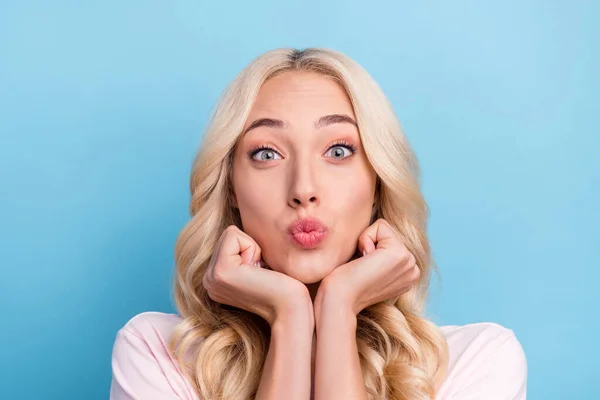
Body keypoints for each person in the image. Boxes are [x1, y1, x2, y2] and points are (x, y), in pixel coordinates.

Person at [109, 47, 527, 400]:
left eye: (339, 151)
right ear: (232, 187)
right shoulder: (156, 356)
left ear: (379, 183)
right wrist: (289, 315)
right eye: (267, 154)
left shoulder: (477, 363)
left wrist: (338, 306)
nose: (304, 189)